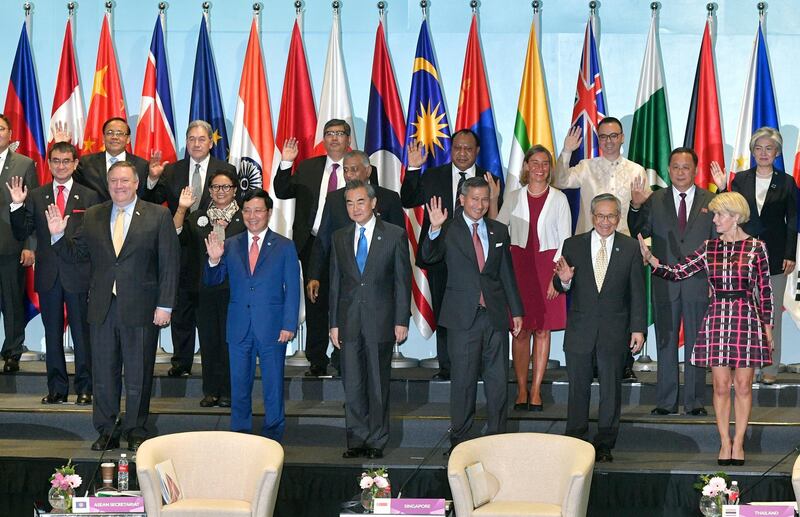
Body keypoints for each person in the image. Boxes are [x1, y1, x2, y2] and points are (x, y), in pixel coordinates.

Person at [46, 161, 179, 451]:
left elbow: (169, 263)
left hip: (142, 307)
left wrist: (165, 305)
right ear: (108, 185)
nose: (119, 186)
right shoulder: (93, 215)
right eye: (114, 181)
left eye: (125, 181)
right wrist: (58, 235)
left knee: (138, 372)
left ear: (136, 184)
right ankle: (107, 429)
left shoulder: (158, 215)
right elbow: (77, 254)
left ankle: (135, 429)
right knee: (103, 373)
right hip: (103, 307)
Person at [638, 192, 773, 466]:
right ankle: (725, 442)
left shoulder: (757, 248)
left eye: (719, 215)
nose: (714, 220)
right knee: (722, 386)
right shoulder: (710, 247)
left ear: (735, 217)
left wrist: (768, 328)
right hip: (718, 316)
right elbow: (678, 271)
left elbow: (766, 291)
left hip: (747, 316)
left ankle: (739, 442)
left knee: (744, 385)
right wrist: (652, 260)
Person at [419, 177, 523, 450]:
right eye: (474, 199)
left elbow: (506, 274)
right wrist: (434, 228)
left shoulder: (498, 231)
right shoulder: (447, 228)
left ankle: (497, 439)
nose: (479, 204)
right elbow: (428, 257)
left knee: (498, 382)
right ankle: (461, 442)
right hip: (461, 318)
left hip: (495, 316)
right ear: (462, 200)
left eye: (484, 199)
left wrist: (517, 311)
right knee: (463, 383)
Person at [274, 119, 378, 378]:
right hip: (313, 243)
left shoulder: (359, 167)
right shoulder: (310, 166)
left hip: (351, 243)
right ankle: (317, 360)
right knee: (316, 302)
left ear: (348, 139)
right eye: (329, 133)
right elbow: (282, 190)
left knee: (347, 301)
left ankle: (344, 358)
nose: (334, 138)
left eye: (339, 133)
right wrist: (286, 162)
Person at [552, 116, 648, 382]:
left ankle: (623, 362)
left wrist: (641, 208)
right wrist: (567, 150)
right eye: (603, 136)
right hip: (589, 249)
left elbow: (645, 213)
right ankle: (589, 362)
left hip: (624, 251)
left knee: (624, 306)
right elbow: (560, 180)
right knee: (589, 305)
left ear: (622, 137)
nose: (608, 141)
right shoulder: (585, 166)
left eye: (613, 136)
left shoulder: (636, 171)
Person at [554, 193, 646, 463]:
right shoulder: (573, 244)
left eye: (611, 216)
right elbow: (560, 285)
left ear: (618, 218)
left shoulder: (630, 248)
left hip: (614, 332)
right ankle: (575, 441)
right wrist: (565, 281)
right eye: (600, 216)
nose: (605, 221)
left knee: (610, 390)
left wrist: (637, 329)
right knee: (578, 389)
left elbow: (637, 293)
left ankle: (605, 443)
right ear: (592, 217)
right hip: (580, 331)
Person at [401, 129, 499, 381]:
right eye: (458, 148)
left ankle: (474, 365)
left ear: (477, 151)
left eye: (468, 149)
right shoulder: (434, 175)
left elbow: (496, 221)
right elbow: (408, 198)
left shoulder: (490, 179)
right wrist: (413, 169)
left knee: (477, 312)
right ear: (450, 149)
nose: (463, 153)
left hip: (477, 259)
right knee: (446, 312)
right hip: (441, 256)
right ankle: (447, 366)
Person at [7, 142, 100, 404]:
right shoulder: (36, 195)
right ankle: (57, 389)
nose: (61, 166)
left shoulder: (89, 196)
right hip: (48, 275)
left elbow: (89, 238)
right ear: (49, 163)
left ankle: (85, 387)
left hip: (78, 274)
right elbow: (22, 231)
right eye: (56, 161)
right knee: (52, 334)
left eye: (66, 161)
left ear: (75, 163)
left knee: (82, 334)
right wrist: (16, 206)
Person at [204, 189, 300, 442]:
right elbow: (213, 280)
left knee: (273, 387)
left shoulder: (284, 246)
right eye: (247, 211)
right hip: (238, 327)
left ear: (268, 213)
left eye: (258, 210)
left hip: (272, 327)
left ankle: (273, 436)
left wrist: (289, 324)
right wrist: (213, 261)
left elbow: (292, 288)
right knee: (239, 386)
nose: (252, 216)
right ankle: (241, 435)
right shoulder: (231, 244)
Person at [628, 147, 716, 416]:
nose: (680, 172)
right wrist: (635, 205)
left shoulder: (711, 201)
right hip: (664, 281)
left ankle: (694, 401)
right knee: (665, 341)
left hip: (698, 283)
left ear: (695, 170)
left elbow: (716, 244)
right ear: (668, 169)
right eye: (675, 166)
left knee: (696, 342)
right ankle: (666, 401)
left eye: (686, 167)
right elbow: (639, 231)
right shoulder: (655, 200)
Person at [146, 120, 237, 378]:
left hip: (214, 248)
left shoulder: (225, 169)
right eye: (191, 139)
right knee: (183, 307)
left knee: (212, 311)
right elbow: (152, 200)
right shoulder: (173, 170)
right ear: (186, 143)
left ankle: (217, 366)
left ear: (211, 142)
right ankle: (181, 361)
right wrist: (152, 180)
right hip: (181, 247)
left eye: (201, 139)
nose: (196, 144)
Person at [329, 180, 411, 460]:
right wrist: (334, 323)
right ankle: (357, 438)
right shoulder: (340, 236)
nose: (355, 208)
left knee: (377, 382)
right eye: (350, 203)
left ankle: (377, 439)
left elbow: (402, 281)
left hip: (381, 320)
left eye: (360, 202)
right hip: (349, 321)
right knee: (352, 383)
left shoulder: (394, 235)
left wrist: (402, 319)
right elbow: (336, 283)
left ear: (373, 203)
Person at [710, 127, 797, 385]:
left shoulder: (787, 182)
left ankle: (770, 366)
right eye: (758, 148)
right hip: (742, 257)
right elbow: (725, 210)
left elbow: (793, 220)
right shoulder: (740, 180)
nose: (763, 153)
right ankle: (745, 364)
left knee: (771, 314)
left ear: (777, 152)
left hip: (776, 256)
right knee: (745, 312)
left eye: (769, 148)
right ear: (752, 151)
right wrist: (722, 187)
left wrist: (790, 253)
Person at [307, 150, 404, 373]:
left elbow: (400, 245)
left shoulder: (388, 198)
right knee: (348, 359)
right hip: (347, 287)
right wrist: (314, 274)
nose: (349, 174)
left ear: (368, 170)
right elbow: (322, 239)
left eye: (354, 168)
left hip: (379, 293)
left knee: (376, 364)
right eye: (346, 169)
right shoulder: (335, 198)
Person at [496, 145, 570, 412]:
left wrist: (556, 279)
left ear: (550, 168)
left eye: (545, 163)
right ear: (526, 166)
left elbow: (566, 241)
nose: (540, 168)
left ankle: (536, 391)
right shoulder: (514, 196)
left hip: (547, 267)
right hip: (519, 268)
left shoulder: (559, 199)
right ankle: (521, 389)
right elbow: (497, 231)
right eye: (535, 163)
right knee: (520, 330)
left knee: (542, 329)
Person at [173, 169, 245, 408]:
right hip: (203, 290)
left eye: (225, 187)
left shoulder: (245, 217)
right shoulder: (198, 217)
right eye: (215, 187)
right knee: (209, 340)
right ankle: (211, 390)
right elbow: (177, 235)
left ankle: (229, 391)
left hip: (234, 291)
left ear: (235, 190)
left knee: (229, 341)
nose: (220, 191)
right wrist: (182, 209)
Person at [0, 114, 37, 373]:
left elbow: (32, 208)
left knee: (12, 300)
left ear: (10, 134)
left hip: (11, 244)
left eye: (0, 129)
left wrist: (29, 244)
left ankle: (13, 350)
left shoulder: (24, 164)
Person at [54, 118, 152, 201]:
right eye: (110, 133)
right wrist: (61, 148)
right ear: (103, 138)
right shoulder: (86, 163)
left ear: (128, 139)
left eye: (120, 133)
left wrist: (153, 179)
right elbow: (65, 180)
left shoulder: (141, 165)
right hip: (95, 219)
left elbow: (150, 198)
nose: (114, 137)